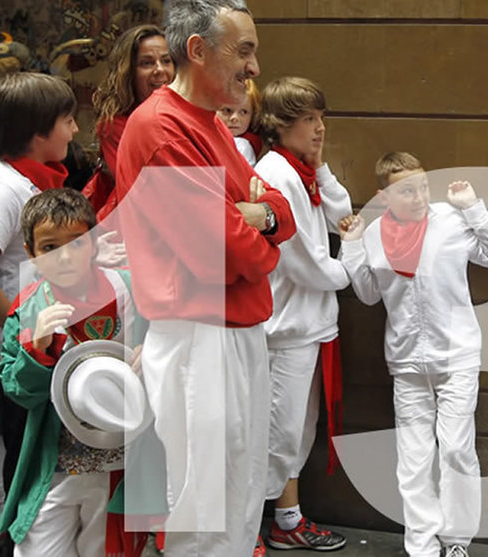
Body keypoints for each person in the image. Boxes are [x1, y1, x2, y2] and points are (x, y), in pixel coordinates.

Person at [113, 1, 296, 555]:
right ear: (197, 50)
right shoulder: (162, 128)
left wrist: (257, 215)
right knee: (206, 516)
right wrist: (256, 224)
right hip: (200, 338)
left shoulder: (207, 125)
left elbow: (278, 212)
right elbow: (227, 252)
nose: (255, 68)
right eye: (244, 51)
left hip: (226, 336)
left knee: (236, 504)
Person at [339, 152, 488, 557]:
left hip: (457, 355)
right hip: (407, 360)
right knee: (413, 460)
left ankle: (456, 541)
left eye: (423, 186)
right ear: (385, 194)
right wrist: (353, 245)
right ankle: (421, 547)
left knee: (455, 449)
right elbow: (367, 292)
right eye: (406, 190)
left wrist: (473, 208)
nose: (418, 197)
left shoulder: (449, 219)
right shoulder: (376, 232)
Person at [0, 188, 145, 556]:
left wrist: (153, 350)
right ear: (30, 253)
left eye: (76, 243)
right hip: (53, 466)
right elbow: (16, 389)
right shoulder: (30, 308)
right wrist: (37, 349)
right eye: (49, 248)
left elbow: (170, 338)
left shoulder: (128, 289)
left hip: (119, 467)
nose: (64, 256)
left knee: (107, 549)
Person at [0, 71, 78, 556]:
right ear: (38, 130)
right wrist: (25, 330)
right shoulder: (5, 190)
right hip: (20, 360)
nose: (75, 131)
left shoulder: (33, 182)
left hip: (46, 356)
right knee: (24, 473)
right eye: (67, 120)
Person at [253, 76, 349, 552]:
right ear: (280, 125)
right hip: (285, 327)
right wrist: (352, 266)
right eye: (308, 120)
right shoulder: (276, 173)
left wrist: (321, 165)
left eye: (320, 118)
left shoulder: (300, 169)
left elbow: (340, 213)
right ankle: (255, 526)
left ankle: (286, 520)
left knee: (299, 429)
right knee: (278, 432)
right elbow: (304, 260)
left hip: (307, 324)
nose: (319, 129)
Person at [85, 24, 175, 220]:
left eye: (166, 60)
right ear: (128, 72)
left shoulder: (184, 115)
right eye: (147, 63)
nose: (160, 70)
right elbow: (143, 192)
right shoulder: (114, 126)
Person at [219, 79, 263, 166]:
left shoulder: (242, 146)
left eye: (244, 112)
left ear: (253, 116)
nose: (235, 118)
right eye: (227, 110)